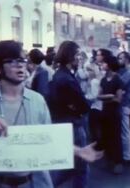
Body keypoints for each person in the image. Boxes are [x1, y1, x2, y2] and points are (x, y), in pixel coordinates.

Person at [0, 40, 103, 188]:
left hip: (32, 181)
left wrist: (78, 151)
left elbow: (47, 138)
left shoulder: (37, 100)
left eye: (22, 60)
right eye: (11, 61)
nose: (20, 65)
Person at [48, 41, 90, 188]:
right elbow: (84, 106)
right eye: (78, 54)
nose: (80, 58)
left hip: (63, 123)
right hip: (74, 125)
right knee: (80, 168)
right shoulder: (67, 79)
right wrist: (76, 107)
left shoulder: (58, 75)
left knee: (69, 164)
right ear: (70, 56)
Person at [98, 52, 124, 174]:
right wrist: (109, 96)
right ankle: (109, 160)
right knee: (106, 136)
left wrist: (105, 97)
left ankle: (118, 162)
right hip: (105, 112)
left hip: (114, 113)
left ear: (109, 65)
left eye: (104, 63)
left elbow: (118, 99)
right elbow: (99, 95)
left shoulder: (118, 79)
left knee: (116, 137)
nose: (102, 65)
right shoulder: (103, 80)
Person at [117, 52, 130, 165]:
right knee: (123, 130)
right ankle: (125, 154)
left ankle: (127, 156)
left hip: (125, 104)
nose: (119, 60)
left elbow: (119, 84)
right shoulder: (124, 72)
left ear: (127, 60)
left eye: (121, 58)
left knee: (125, 130)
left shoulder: (128, 73)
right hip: (122, 104)